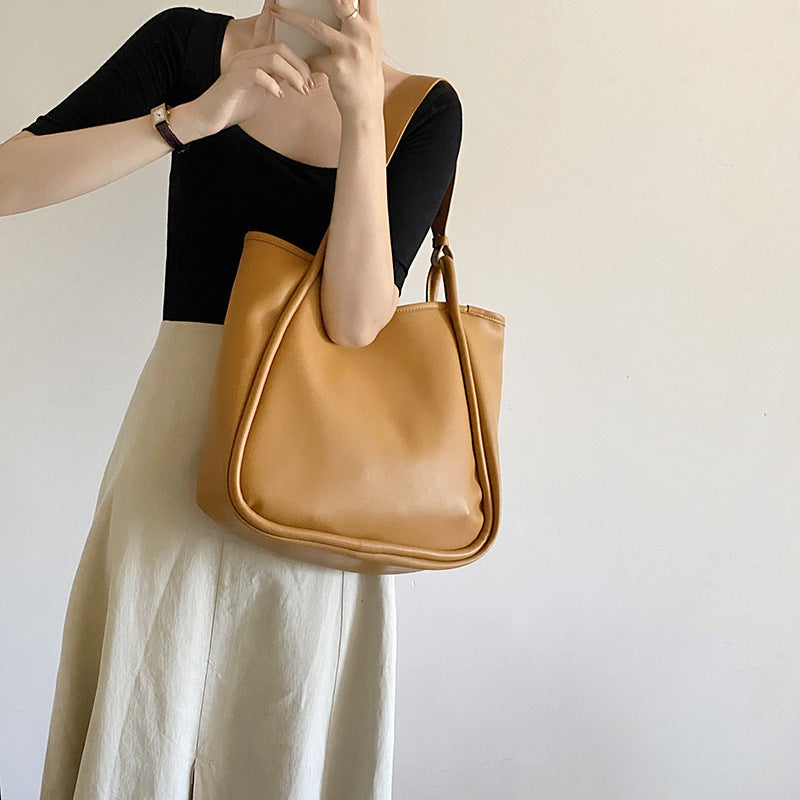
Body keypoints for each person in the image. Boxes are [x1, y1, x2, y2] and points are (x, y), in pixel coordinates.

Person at [1, 1, 462, 797]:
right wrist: (193, 118)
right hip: (174, 452)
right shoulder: (188, 46)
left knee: (284, 726)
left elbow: (356, 320)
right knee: (142, 717)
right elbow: (8, 179)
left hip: (319, 480)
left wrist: (362, 118)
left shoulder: (420, 108)